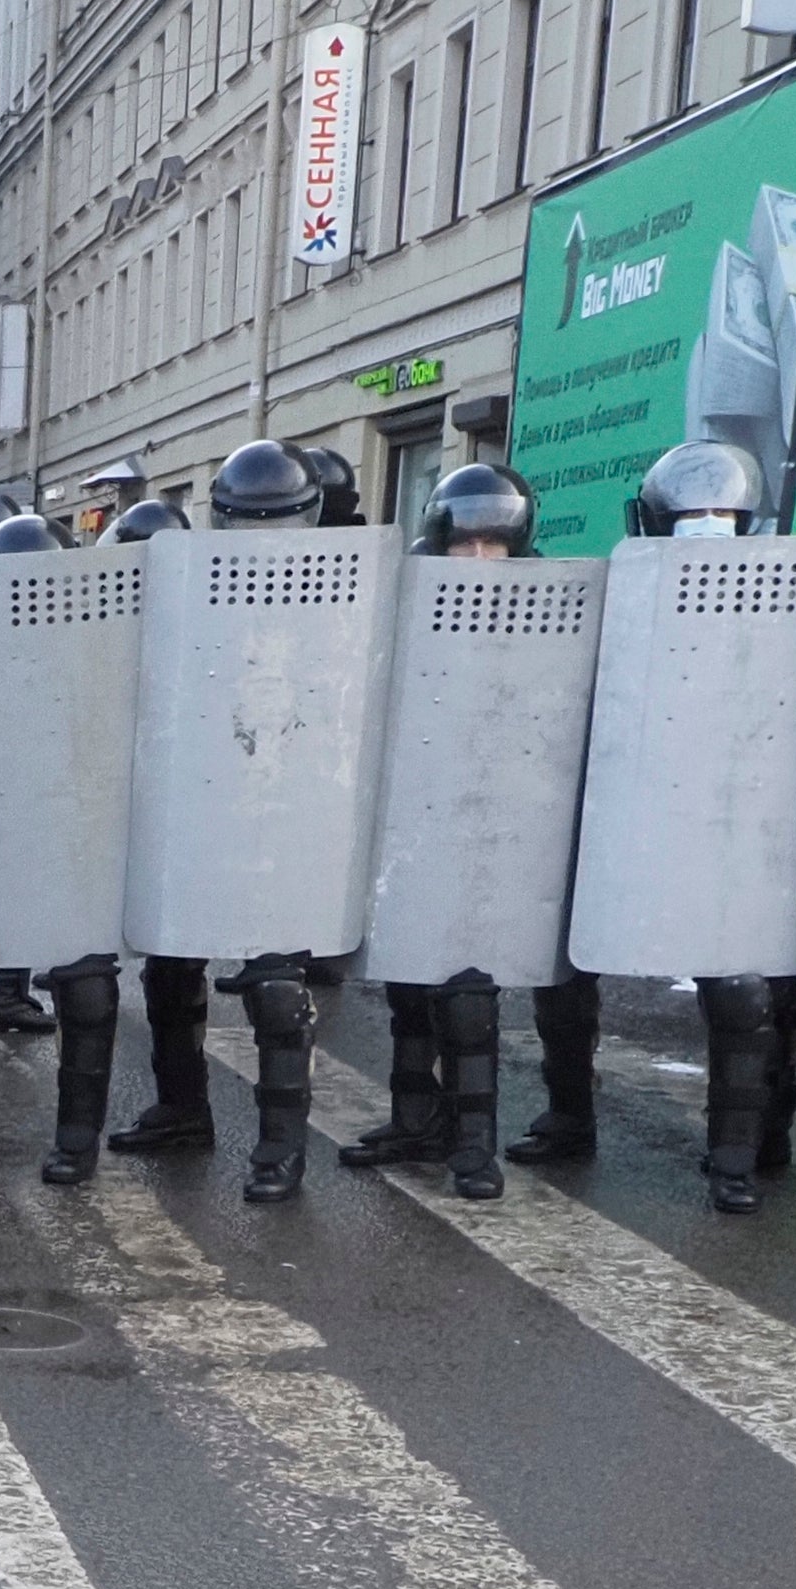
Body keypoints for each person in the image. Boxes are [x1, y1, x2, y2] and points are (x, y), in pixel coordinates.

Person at [128, 437, 335, 1205]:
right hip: (202, 789)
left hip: (288, 802)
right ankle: (182, 1109)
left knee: (276, 987)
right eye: (247, 523)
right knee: (171, 962)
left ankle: (280, 1150)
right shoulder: (190, 581)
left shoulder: (339, 584)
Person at [343, 458, 548, 1200]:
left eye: (497, 546)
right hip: (414, 808)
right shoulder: (409, 594)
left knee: (469, 990)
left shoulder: (543, 606)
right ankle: (415, 1119)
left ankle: (473, 1146)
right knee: (408, 984)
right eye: (469, 545)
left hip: (494, 813)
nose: (482, 561)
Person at [616, 435, 796, 1213]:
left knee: (753, 992)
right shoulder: (631, 595)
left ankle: (750, 1146)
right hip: (670, 807)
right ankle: (574, 1114)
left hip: (763, 816)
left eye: (720, 515)